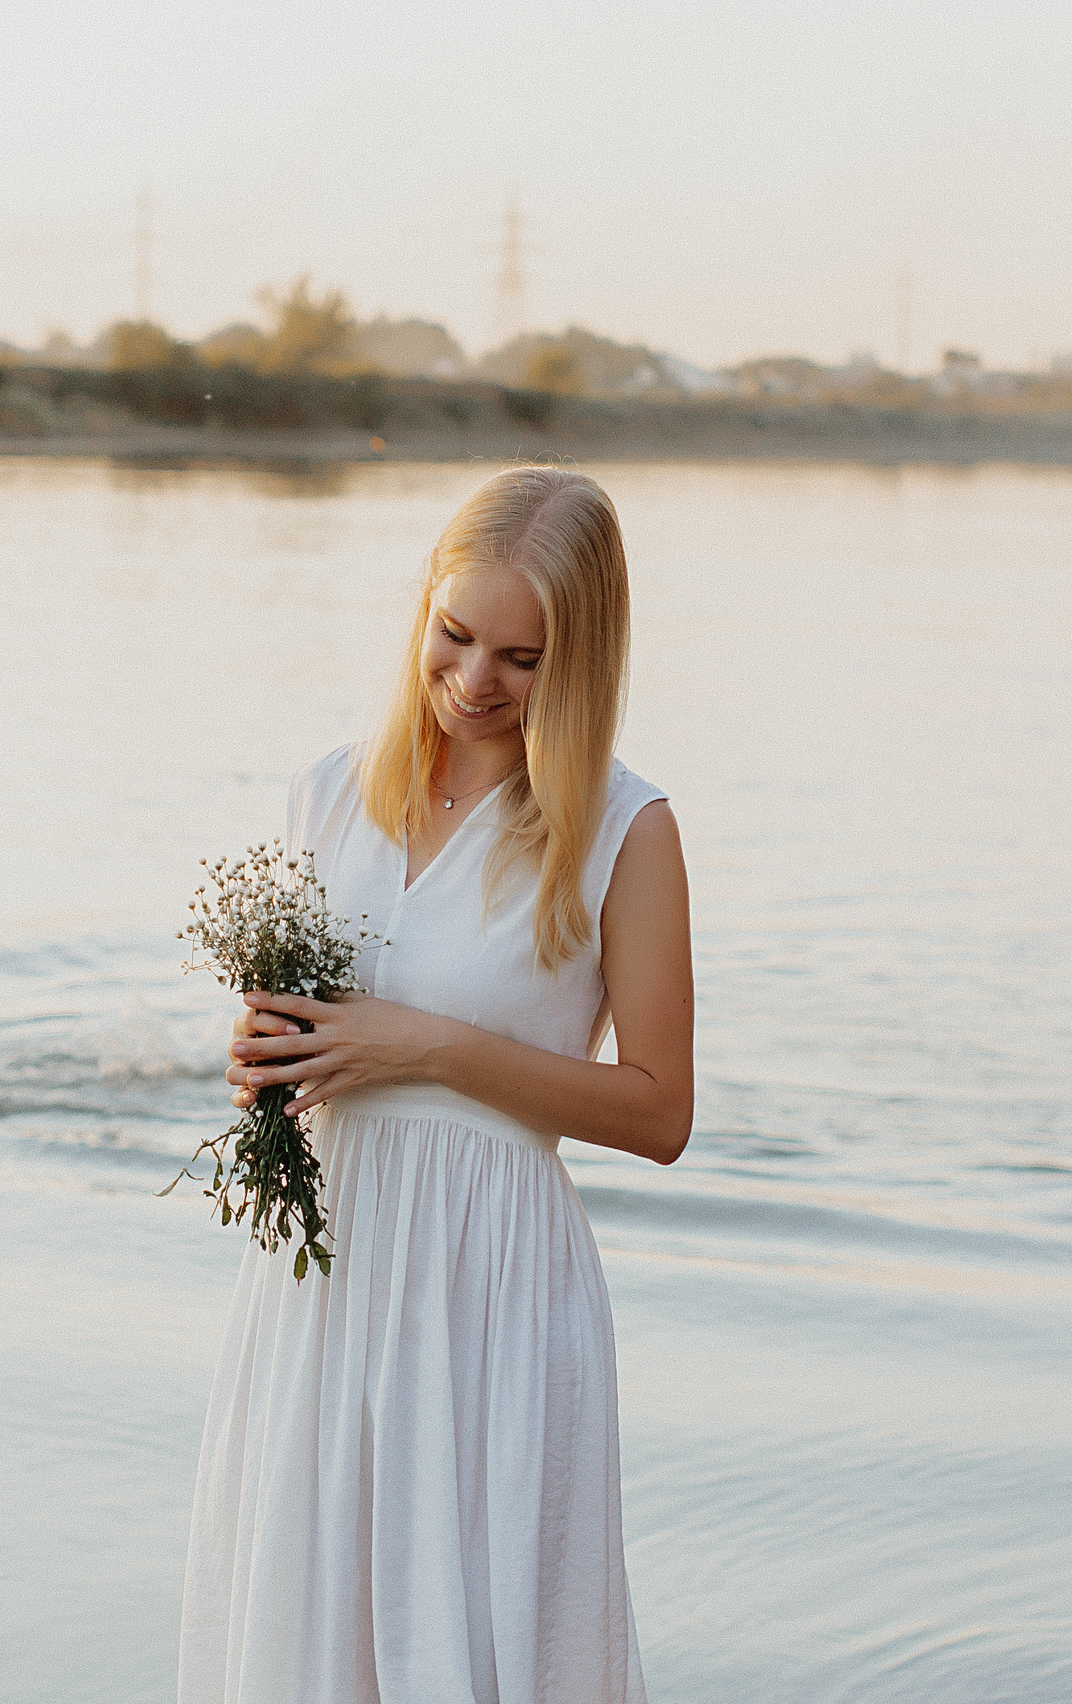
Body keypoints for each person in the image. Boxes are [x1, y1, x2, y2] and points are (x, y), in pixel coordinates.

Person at [178, 465, 691, 1704]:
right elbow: (310, 1033)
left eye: (521, 657)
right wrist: (260, 1061)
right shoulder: (329, 793)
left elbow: (659, 1113)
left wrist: (429, 1048)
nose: (474, 682)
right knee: (314, 1615)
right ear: (421, 606)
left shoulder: (624, 829)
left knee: (482, 1616)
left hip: (491, 1280)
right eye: (454, 636)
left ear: (581, 658)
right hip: (328, 1270)